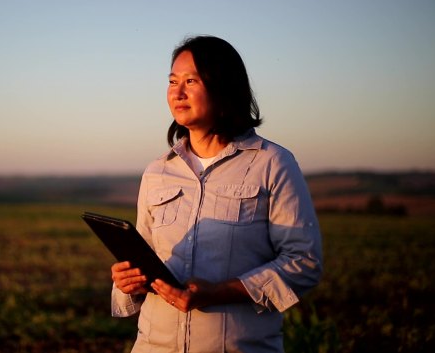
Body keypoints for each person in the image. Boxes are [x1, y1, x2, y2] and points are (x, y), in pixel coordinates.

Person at [110, 35, 323, 353]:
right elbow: (145, 254)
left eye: (191, 80)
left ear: (223, 86)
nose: (177, 92)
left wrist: (220, 291)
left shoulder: (272, 163)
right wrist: (126, 282)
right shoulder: (157, 171)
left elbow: (303, 262)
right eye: (172, 81)